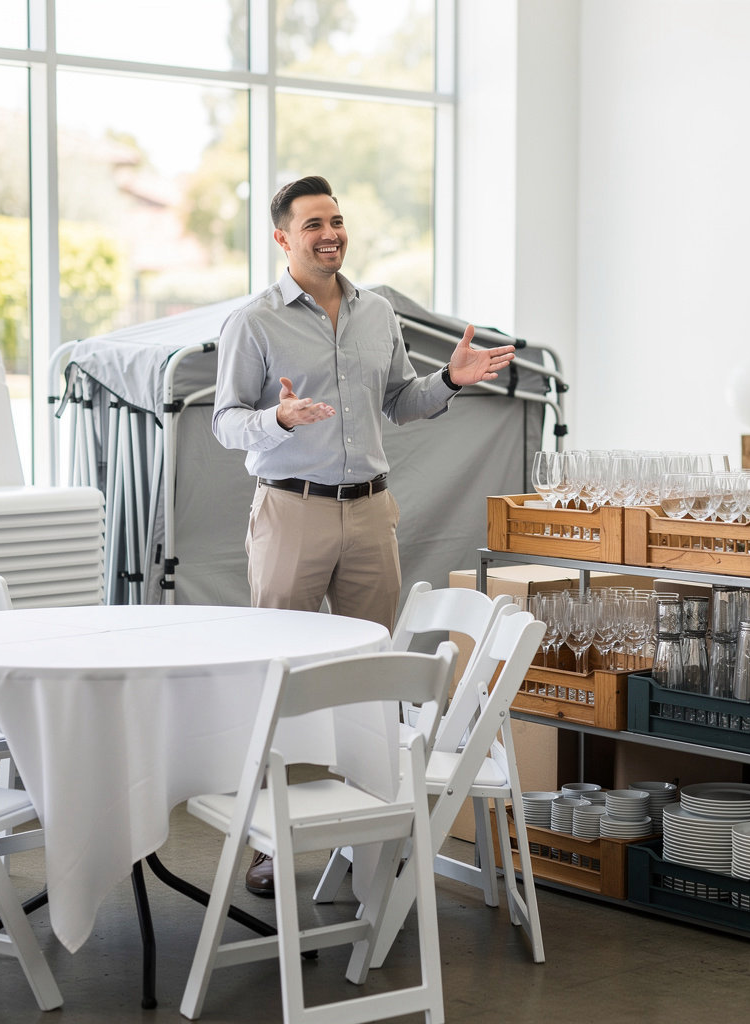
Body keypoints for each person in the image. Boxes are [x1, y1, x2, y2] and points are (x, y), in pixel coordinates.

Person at [212, 174, 515, 895]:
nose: (330, 233)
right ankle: (267, 838)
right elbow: (225, 421)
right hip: (291, 509)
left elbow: (402, 401)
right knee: (279, 672)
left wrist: (452, 378)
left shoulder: (377, 311)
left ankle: (373, 825)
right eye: (313, 223)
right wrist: (276, 420)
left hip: (370, 511)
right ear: (283, 238)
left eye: (337, 220)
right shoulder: (253, 322)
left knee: (373, 676)